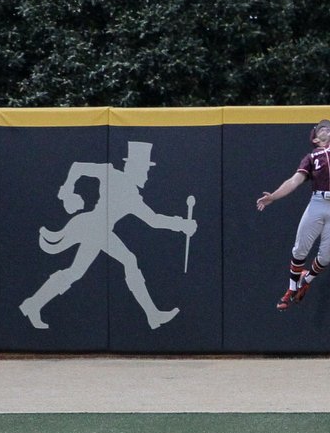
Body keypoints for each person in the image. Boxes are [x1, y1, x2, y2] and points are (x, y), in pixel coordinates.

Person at [20, 141, 197, 330]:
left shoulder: (126, 189)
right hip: (94, 226)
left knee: (76, 272)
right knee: (128, 260)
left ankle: (33, 304)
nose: (147, 174)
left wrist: (181, 225)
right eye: (145, 169)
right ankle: (152, 315)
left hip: (96, 229)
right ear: (133, 168)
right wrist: (181, 225)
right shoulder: (116, 179)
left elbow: (152, 219)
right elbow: (153, 220)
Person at [256, 77, 330, 310]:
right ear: (316, 139)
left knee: (326, 256)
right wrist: (273, 197)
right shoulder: (312, 157)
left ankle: (306, 281)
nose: (328, 129)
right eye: (322, 129)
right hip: (318, 202)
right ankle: (290, 289)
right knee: (299, 249)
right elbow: (294, 181)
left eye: (329, 127)